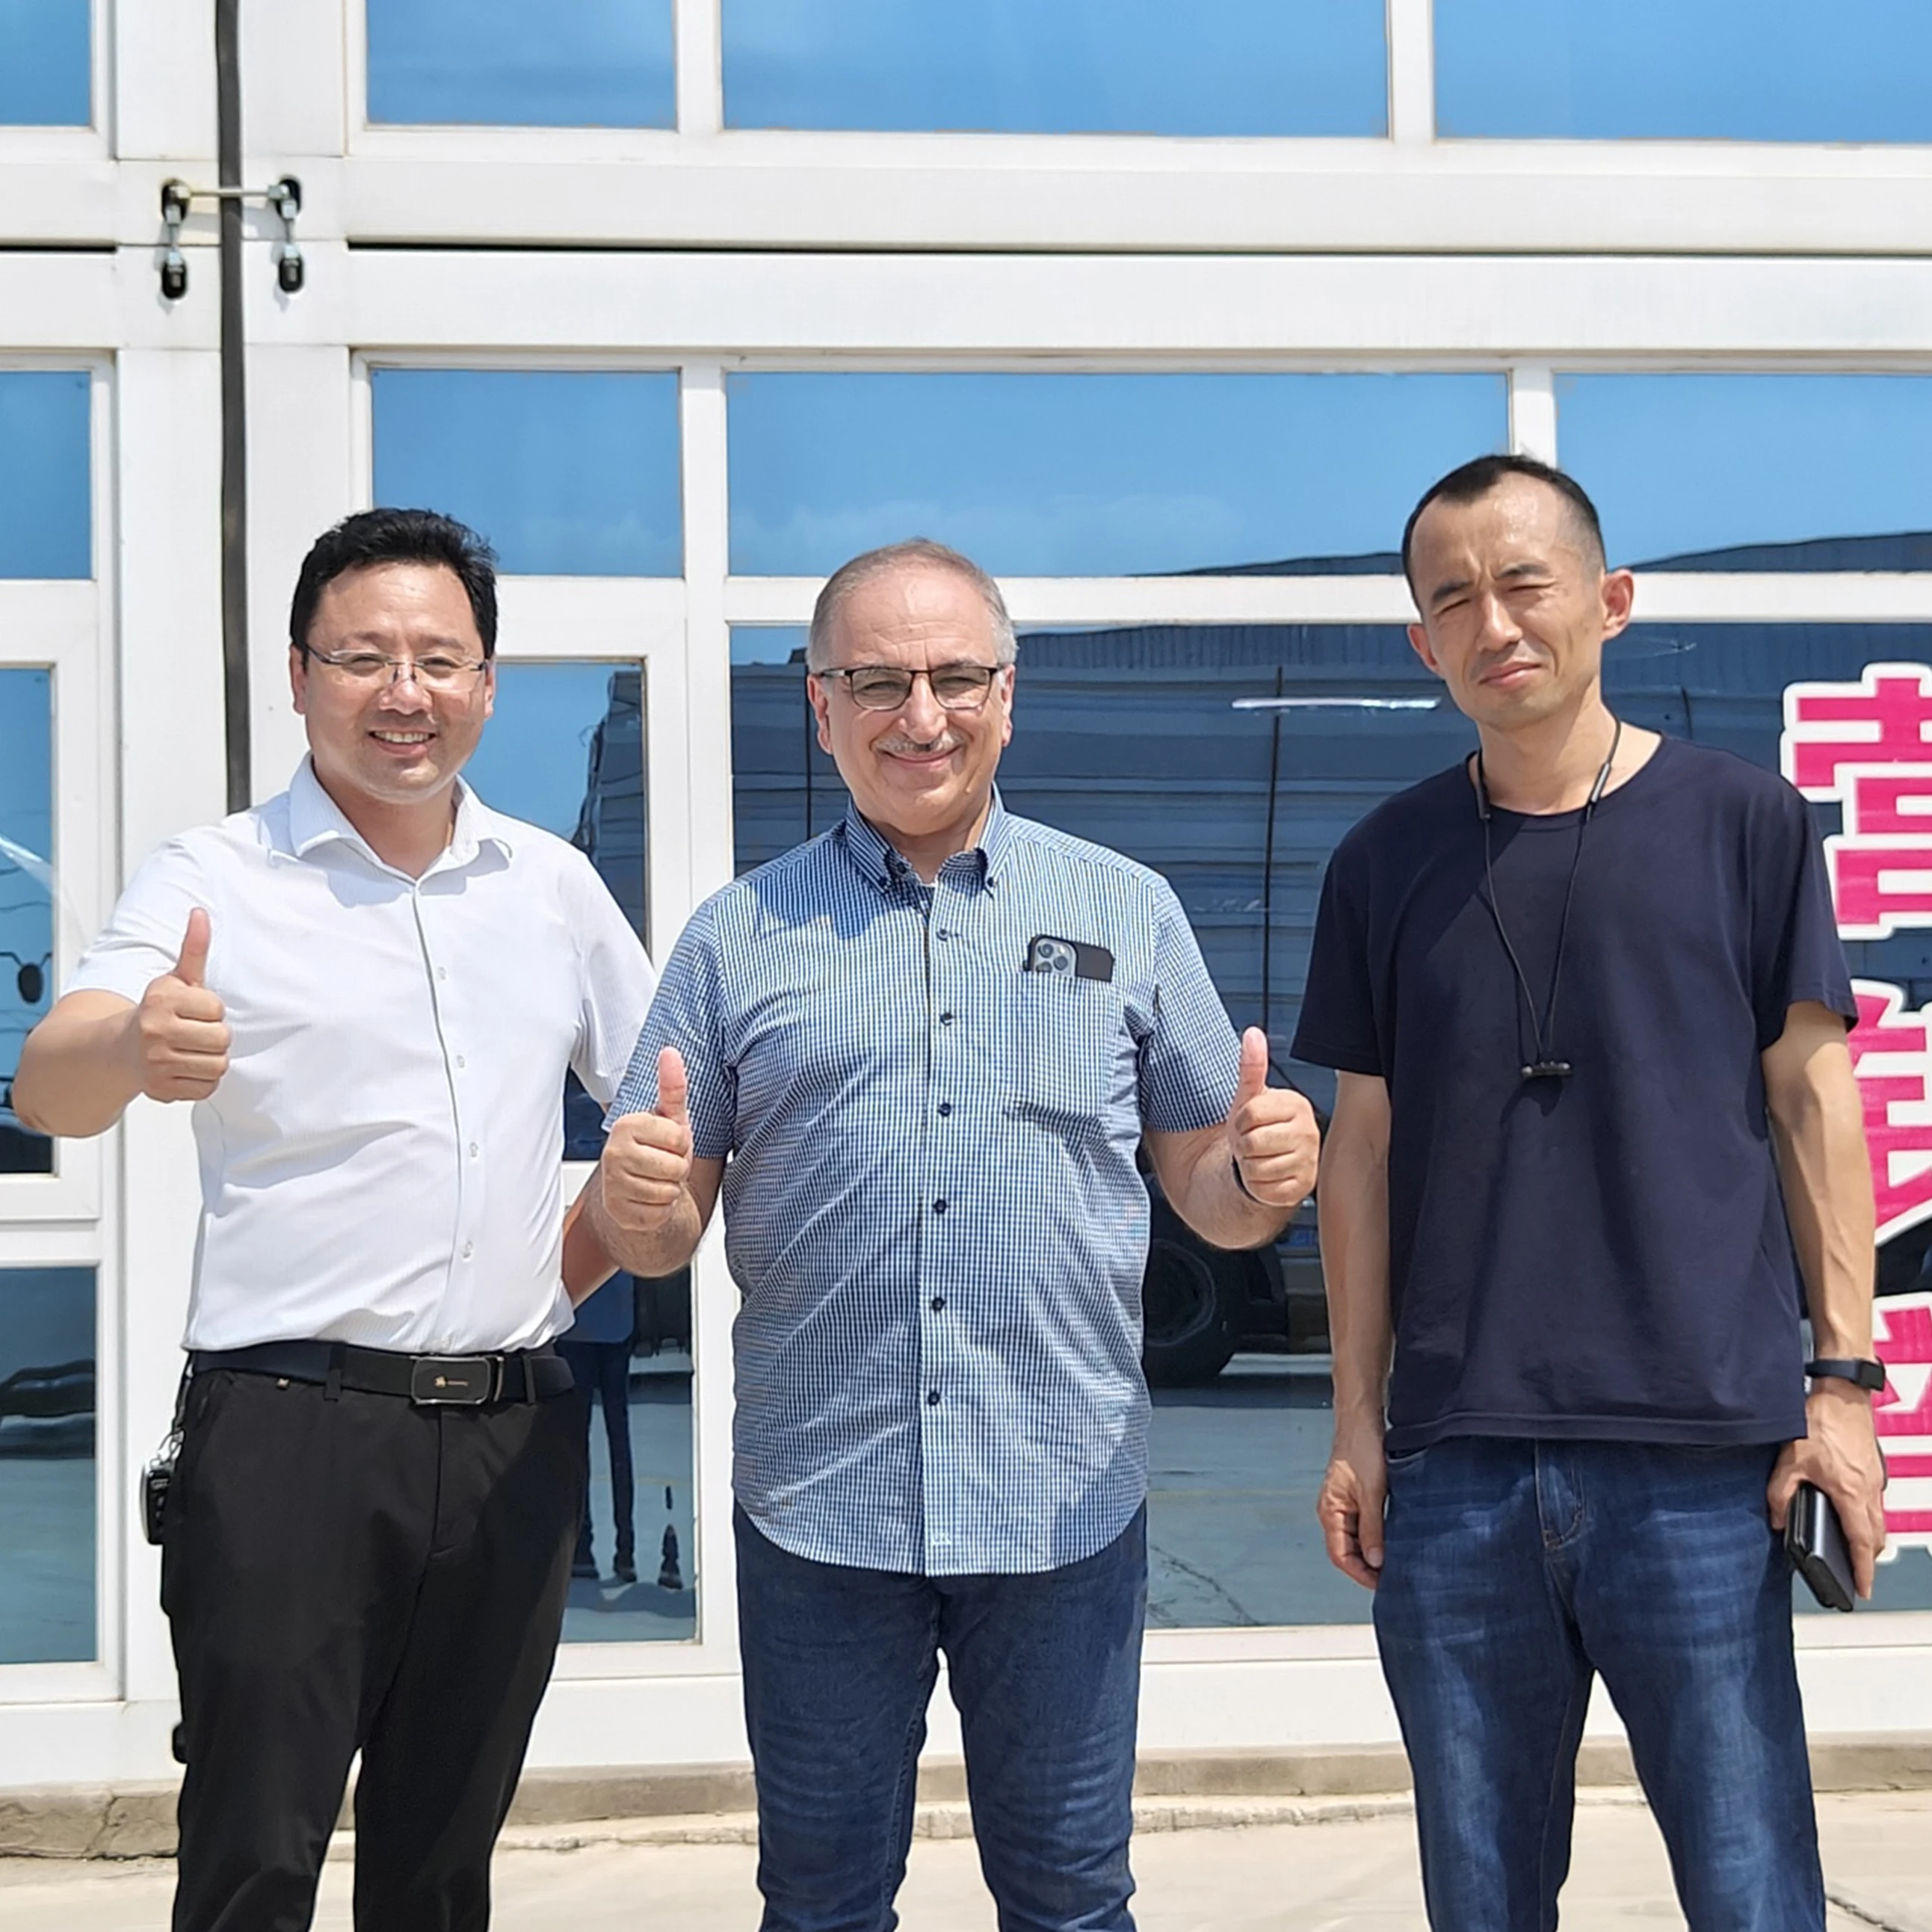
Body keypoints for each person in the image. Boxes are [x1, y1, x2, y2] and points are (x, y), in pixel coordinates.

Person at [579, 537, 1319, 1932]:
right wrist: (639, 1198)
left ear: (1006, 696)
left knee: (1070, 1898)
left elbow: (1208, 1188)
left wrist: (1264, 1170)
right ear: (821, 705)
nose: (920, 714)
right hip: (822, 1511)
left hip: (1062, 1504)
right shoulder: (735, 938)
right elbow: (666, 1228)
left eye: (955, 677)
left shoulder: (1124, 910)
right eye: (878, 681)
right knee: (821, 1902)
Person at [13, 508, 655, 1932]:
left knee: (442, 1870)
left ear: (489, 683)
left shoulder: (552, 889)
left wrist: (579, 1257)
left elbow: (664, 1121)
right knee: (252, 1856)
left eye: (439, 658)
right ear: (299, 677)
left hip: (509, 1438)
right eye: (363, 657)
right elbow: (51, 1083)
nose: (403, 692)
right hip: (288, 1433)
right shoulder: (214, 877)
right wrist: (135, 1047)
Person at [1294, 454, 1889, 1931]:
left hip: (1700, 1455)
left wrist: (1840, 1388)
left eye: (1523, 582)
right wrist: (1357, 1418)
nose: (1491, 622)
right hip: (1456, 1466)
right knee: (1482, 1897)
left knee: (1751, 1887)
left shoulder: (1744, 823)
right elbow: (1359, 1151)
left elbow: (1812, 1100)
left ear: (1608, 600)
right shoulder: (1381, 862)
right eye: (1451, 599)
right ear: (1420, 643)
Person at [560, 1269, 638, 1582]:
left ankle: (582, 1547)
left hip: (575, 1324)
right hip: (616, 1320)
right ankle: (625, 1550)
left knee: (577, 1446)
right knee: (618, 1440)